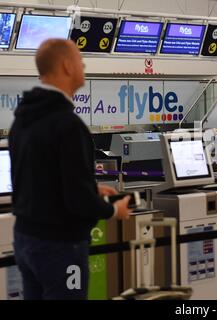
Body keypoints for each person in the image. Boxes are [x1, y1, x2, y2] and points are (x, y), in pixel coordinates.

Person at [8, 39, 133, 300]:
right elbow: (78, 201)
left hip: (25, 240)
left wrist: (91, 187)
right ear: (67, 65)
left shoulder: (23, 120)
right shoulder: (68, 125)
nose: (83, 64)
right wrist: (113, 210)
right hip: (61, 247)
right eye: (79, 59)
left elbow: (36, 178)